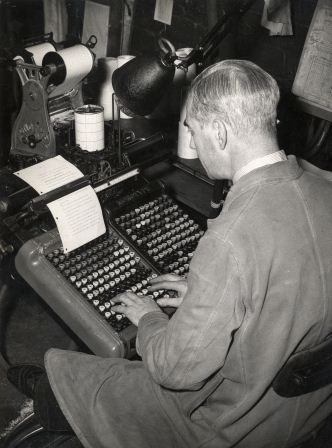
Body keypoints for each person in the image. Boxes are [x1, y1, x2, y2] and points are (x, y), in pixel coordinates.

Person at [7, 60, 332, 448]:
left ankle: (48, 396)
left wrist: (148, 318)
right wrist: (210, 296)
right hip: (304, 406)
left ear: (221, 131)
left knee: (88, 378)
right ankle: (52, 388)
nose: (192, 144)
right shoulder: (323, 191)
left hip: (231, 423)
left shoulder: (230, 239)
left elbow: (177, 372)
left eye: (191, 130)